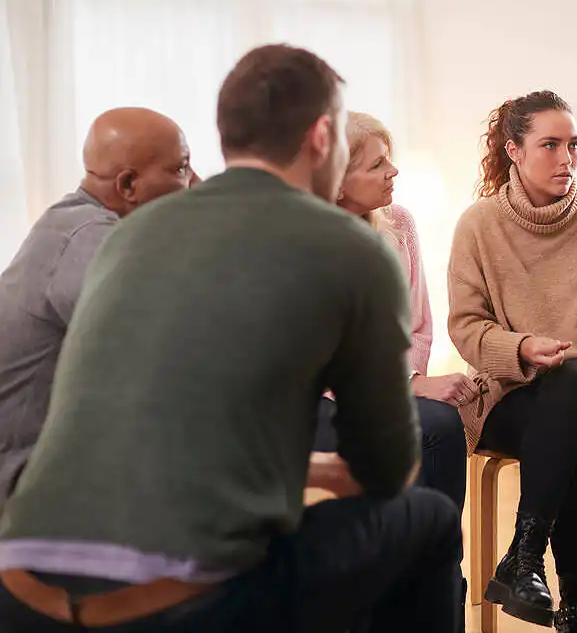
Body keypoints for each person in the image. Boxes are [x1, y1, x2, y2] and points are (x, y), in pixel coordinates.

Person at [0, 44, 461, 632]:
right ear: (323, 138)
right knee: (429, 519)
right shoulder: (355, 248)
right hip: (165, 604)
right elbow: (386, 469)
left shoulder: (129, 234)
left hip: (19, 585)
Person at [448, 90, 577, 633]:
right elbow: (467, 326)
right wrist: (520, 348)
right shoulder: (478, 225)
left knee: (574, 381)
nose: (566, 159)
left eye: (573, 145)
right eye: (550, 145)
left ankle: (524, 556)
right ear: (513, 150)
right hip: (514, 395)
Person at [0, 107, 194, 509]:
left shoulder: (77, 224)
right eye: (181, 169)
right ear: (127, 185)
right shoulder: (89, 239)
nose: (193, 185)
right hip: (23, 476)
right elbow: (170, 348)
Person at [314, 111, 471, 514]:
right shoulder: (303, 242)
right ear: (337, 183)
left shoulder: (399, 223)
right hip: (314, 399)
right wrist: (408, 384)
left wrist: (408, 379)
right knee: (407, 433)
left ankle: (441, 572)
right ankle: (396, 563)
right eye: (377, 164)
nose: (393, 170)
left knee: (442, 424)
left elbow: (418, 329)